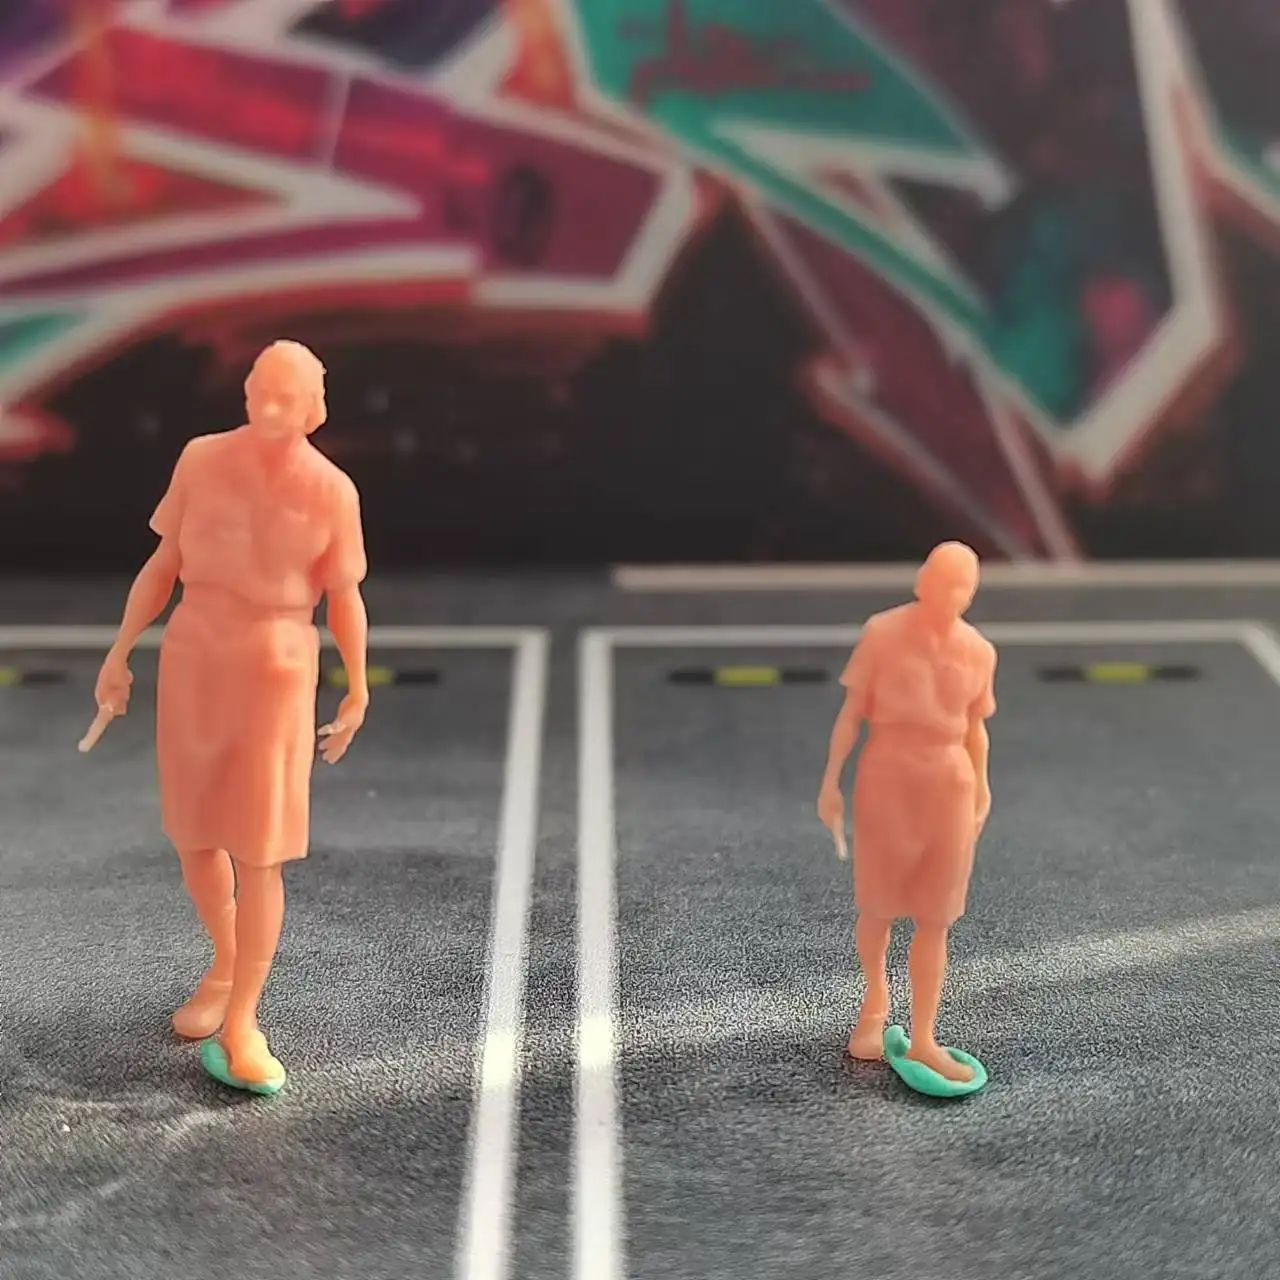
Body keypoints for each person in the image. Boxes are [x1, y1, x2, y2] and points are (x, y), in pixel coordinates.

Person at [85, 339, 370, 1093]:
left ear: (314, 410)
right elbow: (164, 563)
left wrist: (356, 687)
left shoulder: (331, 490)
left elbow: (344, 596)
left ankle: (244, 1018)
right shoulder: (201, 460)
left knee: (260, 848)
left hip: (276, 666)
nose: (268, 408)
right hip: (195, 656)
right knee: (194, 835)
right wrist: (120, 650)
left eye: (286, 398)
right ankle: (225, 959)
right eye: (258, 391)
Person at [817, 541, 995, 1084]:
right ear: (922, 581)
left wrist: (982, 785)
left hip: (950, 780)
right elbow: (852, 712)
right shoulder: (883, 633)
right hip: (889, 774)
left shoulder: (978, 650)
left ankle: (924, 1038)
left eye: (962, 585)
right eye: (941, 580)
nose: (951, 594)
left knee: (936, 915)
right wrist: (831, 781)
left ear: (972, 593)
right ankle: (874, 1005)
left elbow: (975, 728)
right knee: (879, 903)